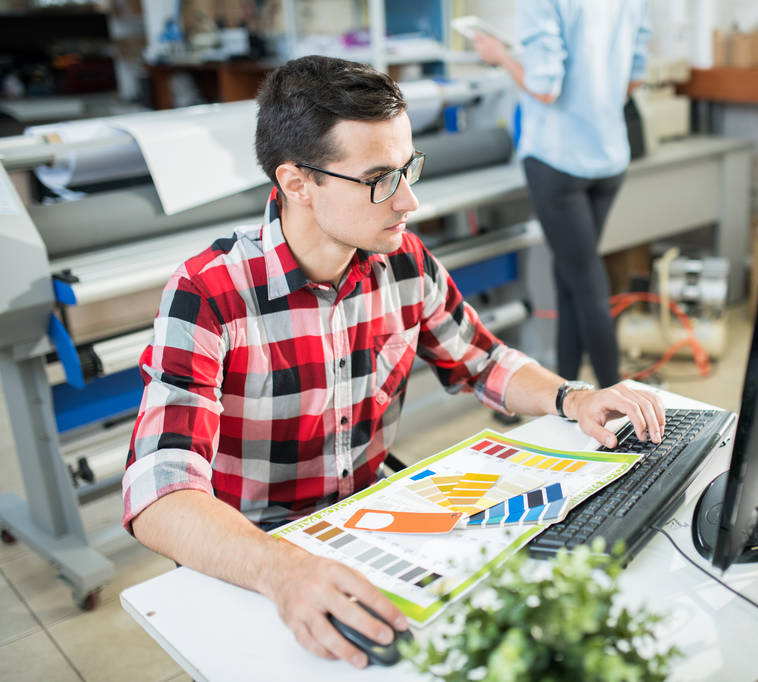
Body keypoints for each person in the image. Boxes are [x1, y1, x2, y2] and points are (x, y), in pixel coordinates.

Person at [122, 55, 664, 669]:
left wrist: (574, 397)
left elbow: (484, 361)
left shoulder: (402, 260)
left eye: (408, 167)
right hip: (257, 552)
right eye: (380, 177)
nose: (408, 199)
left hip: (371, 524)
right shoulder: (208, 292)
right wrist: (282, 571)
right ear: (298, 182)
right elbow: (159, 495)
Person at [473, 0, 651, 389]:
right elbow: (635, 78)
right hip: (609, 156)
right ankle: (567, 393)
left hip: (558, 159)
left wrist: (499, 55)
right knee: (570, 273)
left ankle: (616, 401)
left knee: (585, 280)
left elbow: (545, 88)